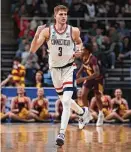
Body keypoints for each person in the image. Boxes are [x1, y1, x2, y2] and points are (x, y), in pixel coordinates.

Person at [29, 5, 89, 146]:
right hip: (55, 70)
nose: (64, 16)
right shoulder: (47, 31)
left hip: (69, 68)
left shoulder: (73, 31)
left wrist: (79, 51)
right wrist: (37, 34)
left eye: (65, 14)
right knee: (64, 99)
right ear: (55, 16)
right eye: (61, 14)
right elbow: (32, 50)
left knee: (66, 101)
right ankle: (82, 113)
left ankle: (61, 133)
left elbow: (80, 43)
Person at [76, 43, 104, 126]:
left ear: (87, 51)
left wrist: (82, 79)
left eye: (82, 49)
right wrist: (79, 73)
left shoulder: (93, 59)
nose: (81, 50)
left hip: (98, 79)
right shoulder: (83, 56)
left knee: (97, 98)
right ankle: (87, 114)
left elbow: (97, 73)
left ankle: (101, 114)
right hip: (89, 78)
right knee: (83, 95)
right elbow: (84, 65)